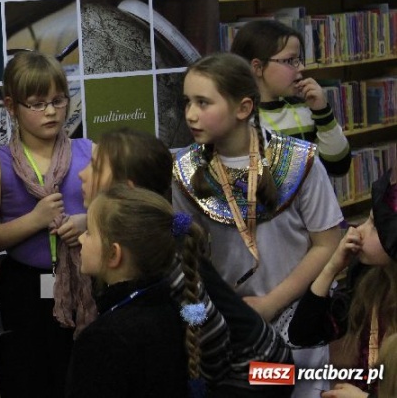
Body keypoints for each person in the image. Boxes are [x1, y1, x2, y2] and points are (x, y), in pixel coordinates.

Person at [172, 52, 343, 398]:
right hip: (228, 333)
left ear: (243, 108)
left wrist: (270, 303)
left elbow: (327, 244)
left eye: (203, 102)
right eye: (187, 102)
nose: (190, 114)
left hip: (295, 324)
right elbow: (188, 261)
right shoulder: (185, 172)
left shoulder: (300, 161)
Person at [81, 127, 293, 397]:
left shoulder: (169, 259)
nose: (81, 173)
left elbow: (210, 334)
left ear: (126, 191)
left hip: (260, 372)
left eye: (94, 165)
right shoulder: (154, 240)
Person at [0, 50, 95, 398]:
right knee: (28, 378)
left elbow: (117, 214)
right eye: (36, 103)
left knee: (80, 375)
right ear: (11, 106)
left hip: (83, 281)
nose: (50, 111)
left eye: (58, 100)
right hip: (25, 290)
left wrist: (86, 220)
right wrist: (34, 220)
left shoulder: (89, 150)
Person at [68, 184, 205, 397]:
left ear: (113, 254)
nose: (80, 239)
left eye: (88, 232)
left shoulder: (102, 340)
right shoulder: (173, 307)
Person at [288, 170, 397, 398]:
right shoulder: (371, 285)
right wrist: (331, 268)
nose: (358, 231)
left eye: (375, 225)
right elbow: (303, 334)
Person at [230, 19, 351, 176]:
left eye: (298, 60)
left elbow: (339, 166)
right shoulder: (239, 118)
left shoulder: (304, 107)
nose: (301, 67)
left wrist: (323, 113)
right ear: (258, 68)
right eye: (290, 60)